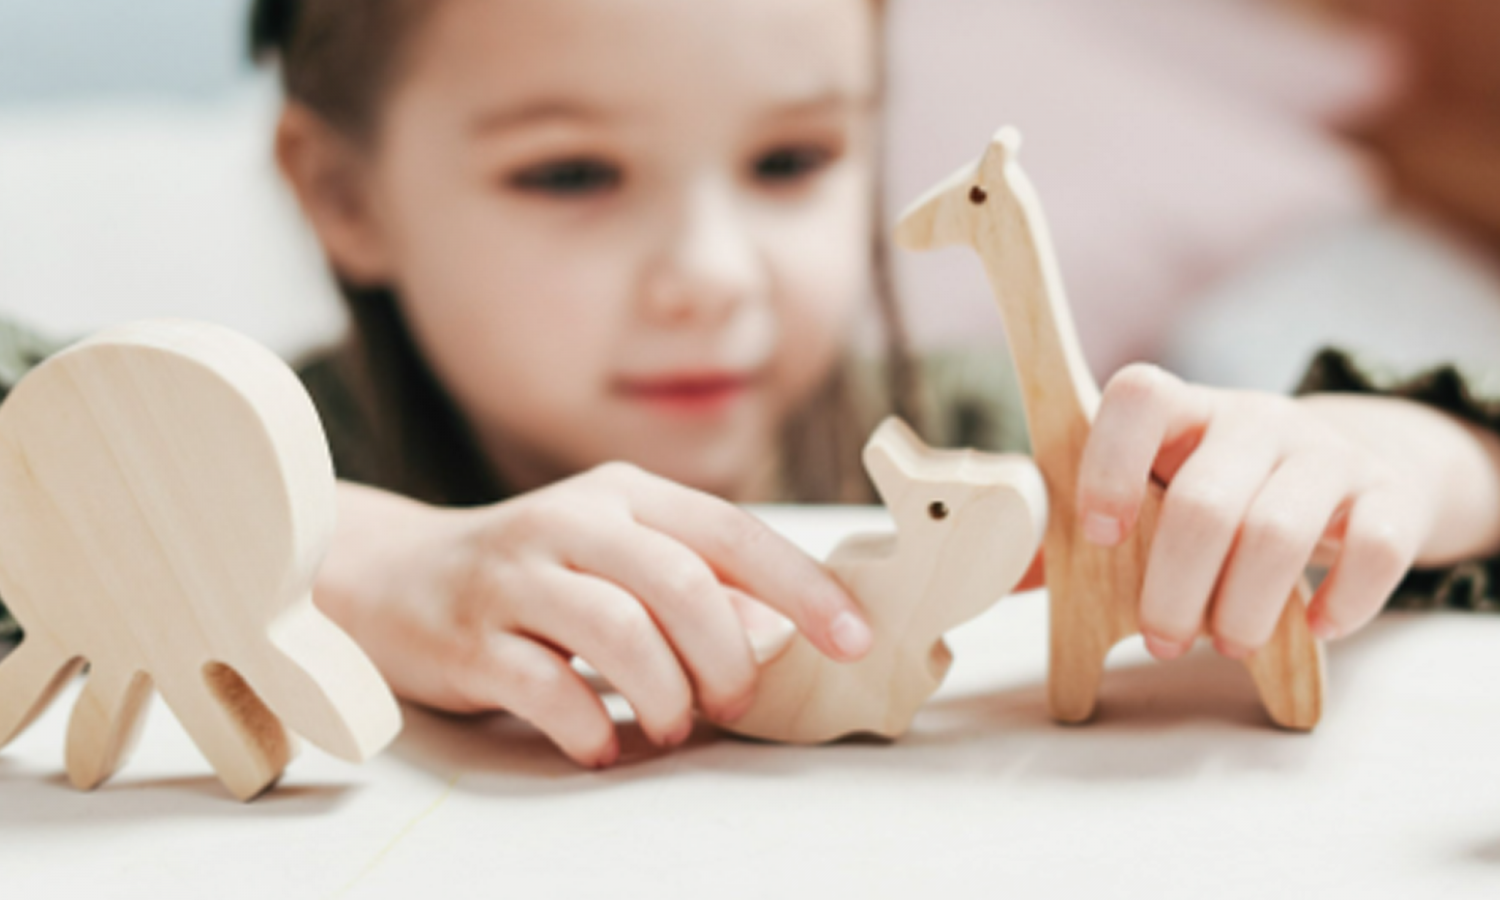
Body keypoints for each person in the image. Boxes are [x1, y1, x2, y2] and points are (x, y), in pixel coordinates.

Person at [5, 0, 1500, 767]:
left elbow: (1389, 519)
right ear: (342, 194)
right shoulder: (205, 451)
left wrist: (1421, 455)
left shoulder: (994, 452)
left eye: (793, 161)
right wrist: (337, 555)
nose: (713, 273)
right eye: (571, 172)